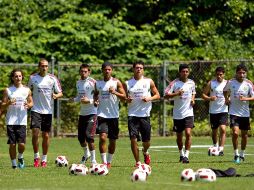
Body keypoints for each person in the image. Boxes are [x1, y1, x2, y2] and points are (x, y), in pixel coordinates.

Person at [28, 58, 63, 167]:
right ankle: (36, 157)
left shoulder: (52, 78)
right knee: (35, 133)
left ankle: (44, 159)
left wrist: (56, 95)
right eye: (42, 66)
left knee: (46, 135)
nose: (44, 68)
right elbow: (27, 91)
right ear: (39, 67)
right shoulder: (33, 78)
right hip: (35, 110)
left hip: (47, 111)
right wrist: (28, 102)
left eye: (46, 66)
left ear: (48, 67)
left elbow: (60, 93)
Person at [125, 61, 160, 166]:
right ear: (133, 69)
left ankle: (145, 151)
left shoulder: (149, 81)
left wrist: (149, 98)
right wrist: (127, 99)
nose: (138, 69)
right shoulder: (127, 83)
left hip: (145, 115)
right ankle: (138, 162)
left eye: (140, 68)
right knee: (133, 139)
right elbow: (123, 98)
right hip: (132, 115)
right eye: (136, 67)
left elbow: (157, 95)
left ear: (143, 69)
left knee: (146, 142)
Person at [94, 62, 126, 168]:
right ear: (102, 70)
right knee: (102, 137)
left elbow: (124, 97)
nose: (107, 71)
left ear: (111, 70)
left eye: (109, 69)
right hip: (101, 115)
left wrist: (115, 92)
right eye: (105, 69)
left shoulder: (116, 82)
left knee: (112, 141)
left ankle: (109, 161)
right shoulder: (98, 83)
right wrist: (95, 101)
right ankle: (103, 163)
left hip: (114, 116)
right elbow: (95, 94)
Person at [1, 69, 33, 169]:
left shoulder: (27, 90)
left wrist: (28, 105)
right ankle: (14, 164)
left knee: (22, 144)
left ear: (22, 77)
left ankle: (20, 156)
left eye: (19, 76)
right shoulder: (8, 90)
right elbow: (2, 106)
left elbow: (31, 102)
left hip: (22, 121)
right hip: (10, 121)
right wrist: (8, 103)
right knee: (12, 144)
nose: (18, 78)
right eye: (16, 76)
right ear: (12, 78)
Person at [164, 64, 196, 163]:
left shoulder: (191, 83)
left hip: (189, 112)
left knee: (188, 133)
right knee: (179, 136)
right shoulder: (174, 83)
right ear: (180, 72)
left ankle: (186, 155)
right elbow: (166, 95)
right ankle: (181, 154)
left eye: (187, 71)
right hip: (178, 114)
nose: (185, 73)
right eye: (183, 71)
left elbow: (194, 92)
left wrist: (193, 100)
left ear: (189, 72)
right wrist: (176, 93)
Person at [223, 64, 254, 164]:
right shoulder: (231, 82)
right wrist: (226, 99)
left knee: (244, 135)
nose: (241, 74)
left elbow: (253, 97)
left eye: (243, 73)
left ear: (246, 74)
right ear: (236, 73)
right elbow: (224, 91)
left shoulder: (249, 83)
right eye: (240, 72)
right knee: (236, 133)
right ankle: (236, 154)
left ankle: (242, 154)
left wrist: (245, 98)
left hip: (245, 113)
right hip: (233, 112)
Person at [69, 64, 97, 165]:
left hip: (92, 112)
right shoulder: (78, 83)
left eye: (86, 71)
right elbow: (80, 97)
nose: (83, 73)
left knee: (89, 136)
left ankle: (94, 160)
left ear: (89, 72)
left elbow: (99, 97)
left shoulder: (93, 82)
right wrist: (74, 99)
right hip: (82, 113)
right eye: (82, 71)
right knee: (81, 138)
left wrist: (89, 101)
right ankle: (87, 154)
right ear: (79, 72)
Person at [202, 67, 228, 155]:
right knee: (214, 131)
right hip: (213, 111)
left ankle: (221, 149)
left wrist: (229, 100)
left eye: (221, 74)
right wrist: (210, 98)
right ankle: (215, 146)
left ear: (223, 74)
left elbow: (232, 94)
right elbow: (203, 95)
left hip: (223, 110)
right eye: (217, 74)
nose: (219, 76)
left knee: (223, 129)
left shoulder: (227, 83)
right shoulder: (211, 83)